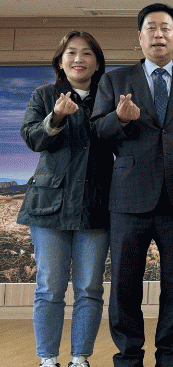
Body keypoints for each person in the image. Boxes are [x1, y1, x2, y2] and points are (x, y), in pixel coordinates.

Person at [91, 3, 173, 367]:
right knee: (124, 284)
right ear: (140, 37)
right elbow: (97, 131)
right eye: (151, 28)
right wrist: (120, 119)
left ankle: (171, 358)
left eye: (165, 28)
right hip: (129, 198)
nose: (158, 34)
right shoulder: (115, 80)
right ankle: (128, 357)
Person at [17, 31, 112, 367]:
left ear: (97, 62)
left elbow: (121, 141)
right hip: (49, 207)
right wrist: (55, 117)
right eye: (71, 52)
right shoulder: (44, 95)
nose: (78, 59)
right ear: (60, 60)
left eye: (87, 53)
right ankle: (47, 359)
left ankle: (80, 358)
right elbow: (32, 138)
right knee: (49, 287)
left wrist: (125, 121)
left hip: (96, 204)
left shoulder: (108, 97)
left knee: (90, 288)